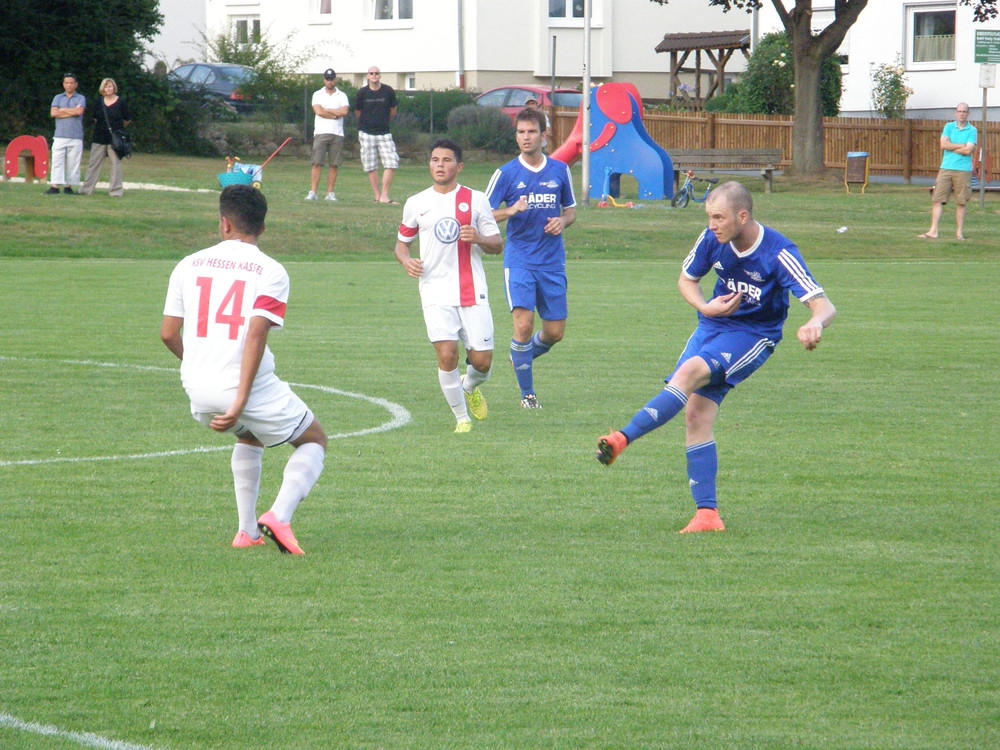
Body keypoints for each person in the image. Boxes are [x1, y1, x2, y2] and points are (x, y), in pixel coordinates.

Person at [596, 181, 836, 534]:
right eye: (709, 217)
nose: (712, 225)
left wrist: (815, 322)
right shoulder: (712, 239)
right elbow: (686, 280)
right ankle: (707, 515)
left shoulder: (778, 252)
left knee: (689, 373)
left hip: (753, 335)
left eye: (719, 218)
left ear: (743, 216)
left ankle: (622, 438)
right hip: (711, 327)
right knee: (696, 414)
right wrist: (704, 306)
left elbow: (824, 305)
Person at [160, 185, 327, 555]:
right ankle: (279, 517)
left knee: (250, 436)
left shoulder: (188, 263)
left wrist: (198, 365)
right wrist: (239, 399)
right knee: (314, 439)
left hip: (197, 389)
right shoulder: (271, 270)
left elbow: (168, 333)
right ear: (262, 228)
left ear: (224, 223)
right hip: (241, 389)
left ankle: (246, 532)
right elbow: (255, 335)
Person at [394, 137, 504, 433]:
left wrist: (479, 238)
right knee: (446, 355)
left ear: (459, 166)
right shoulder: (416, 203)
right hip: (434, 291)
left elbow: (497, 244)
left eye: (446, 160)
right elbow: (402, 245)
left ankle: (469, 387)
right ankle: (461, 419)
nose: (439, 165)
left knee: (482, 362)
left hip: (472, 289)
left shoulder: (476, 199)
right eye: (435, 160)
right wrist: (406, 261)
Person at [485, 107, 576, 409]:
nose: (526, 137)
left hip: (552, 262)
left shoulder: (560, 170)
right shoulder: (506, 174)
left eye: (532, 132)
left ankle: (519, 357)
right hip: (520, 260)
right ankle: (528, 395)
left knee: (555, 333)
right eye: (521, 132)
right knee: (523, 327)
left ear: (544, 136)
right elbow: (482, 215)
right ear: (516, 137)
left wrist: (562, 221)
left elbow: (571, 211)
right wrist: (510, 211)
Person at [919, 102, 977, 240]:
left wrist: (951, 146)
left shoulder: (972, 130)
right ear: (955, 113)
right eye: (959, 111)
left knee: (961, 202)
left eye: (964, 111)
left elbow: (969, 150)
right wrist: (960, 146)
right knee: (937, 199)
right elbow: (943, 145)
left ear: (968, 113)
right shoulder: (948, 127)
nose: (961, 114)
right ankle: (933, 231)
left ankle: (959, 233)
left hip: (963, 170)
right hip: (946, 168)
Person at [79, 78, 132, 197]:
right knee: (93, 164)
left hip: (115, 139)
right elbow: (95, 118)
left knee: (115, 165)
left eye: (110, 86)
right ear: (103, 88)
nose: (108, 89)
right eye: (106, 86)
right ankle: (86, 190)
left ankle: (115, 191)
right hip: (99, 137)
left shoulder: (121, 102)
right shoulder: (98, 102)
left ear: (114, 88)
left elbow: (127, 120)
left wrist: (117, 129)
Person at [355, 66, 400, 204]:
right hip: (366, 133)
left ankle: (385, 196)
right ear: (367, 76)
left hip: (384, 133)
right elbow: (358, 112)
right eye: (371, 73)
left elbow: (393, 111)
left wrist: (382, 121)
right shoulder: (362, 93)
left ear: (380, 76)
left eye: (376, 73)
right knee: (370, 165)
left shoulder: (388, 91)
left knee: (391, 162)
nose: (374, 75)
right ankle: (377, 197)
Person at [306, 68, 350, 202]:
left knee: (334, 164)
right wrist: (335, 114)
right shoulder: (317, 94)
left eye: (332, 79)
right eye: (327, 79)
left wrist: (328, 111)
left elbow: (344, 112)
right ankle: (313, 192)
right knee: (317, 162)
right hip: (321, 132)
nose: (329, 82)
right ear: (324, 80)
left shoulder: (342, 95)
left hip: (337, 133)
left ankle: (330, 193)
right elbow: (318, 111)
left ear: (335, 80)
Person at [47, 73, 86, 195]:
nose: (69, 85)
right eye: (67, 83)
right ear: (64, 84)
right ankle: (55, 186)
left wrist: (62, 110)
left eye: (71, 83)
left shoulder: (80, 98)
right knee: (57, 161)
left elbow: (79, 112)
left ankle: (68, 187)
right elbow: (53, 113)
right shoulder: (58, 98)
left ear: (76, 85)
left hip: (76, 136)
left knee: (73, 163)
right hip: (60, 135)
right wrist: (71, 112)